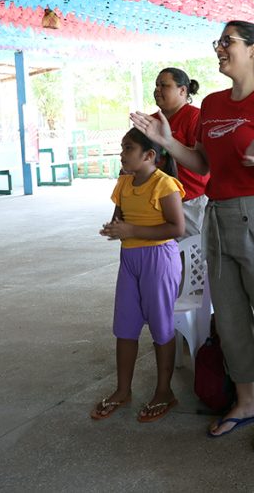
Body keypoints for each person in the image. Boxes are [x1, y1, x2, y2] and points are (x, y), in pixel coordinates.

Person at [131, 20, 254, 454]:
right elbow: (203, 164)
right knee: (228, 317)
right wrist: (165, 141)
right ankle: (245, 401)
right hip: (220, 215)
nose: (220, 49)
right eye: (219, 42)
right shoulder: (211, 103)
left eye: (229, 42)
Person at [90, 128, 185, 423]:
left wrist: (132, 231)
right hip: (130, 259)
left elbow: (177, 229)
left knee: (161, 327)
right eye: (121, 148)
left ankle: (163, 391)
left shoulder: (164, 184)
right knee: (125, 327)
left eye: (127, 148)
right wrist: (115, 228)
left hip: (159, 259)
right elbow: (120, 217)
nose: (122, 154)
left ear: (149, 155)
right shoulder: (124, 183)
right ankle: (122, 390)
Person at [153, 68, 209, 238]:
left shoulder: (196, 117)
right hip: (157, 200)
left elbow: (202, 162)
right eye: (156, 86)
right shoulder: (151, 121)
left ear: (182, 90)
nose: (157, 90)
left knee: (193, 258)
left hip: (190, 200)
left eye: (164, 85)